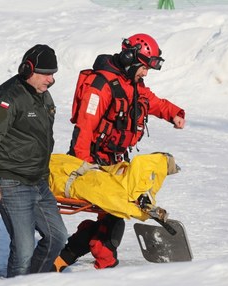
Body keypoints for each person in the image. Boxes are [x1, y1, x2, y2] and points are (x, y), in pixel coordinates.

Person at [54, 33, 186, 271]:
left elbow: (153, 102)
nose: (145, 73)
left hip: (112, 162)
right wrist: (81, 167)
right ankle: (105, 267)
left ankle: (59, 262)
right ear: (130, 59)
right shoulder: (101, 86)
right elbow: (85, 127)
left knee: (113, 217)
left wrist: (174, 113)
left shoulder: (131, 84)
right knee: (114, 219)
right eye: (144, 68)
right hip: (92, 164)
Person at [0, 44, 68, 277]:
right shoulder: (9, 98)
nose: (51, 79)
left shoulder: (43, 96)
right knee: (24, 249)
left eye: (53, 73)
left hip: (37, 182)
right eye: (46, 73)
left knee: (57, 238)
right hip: (11, 182)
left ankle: (31, 285)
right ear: (28, 70)